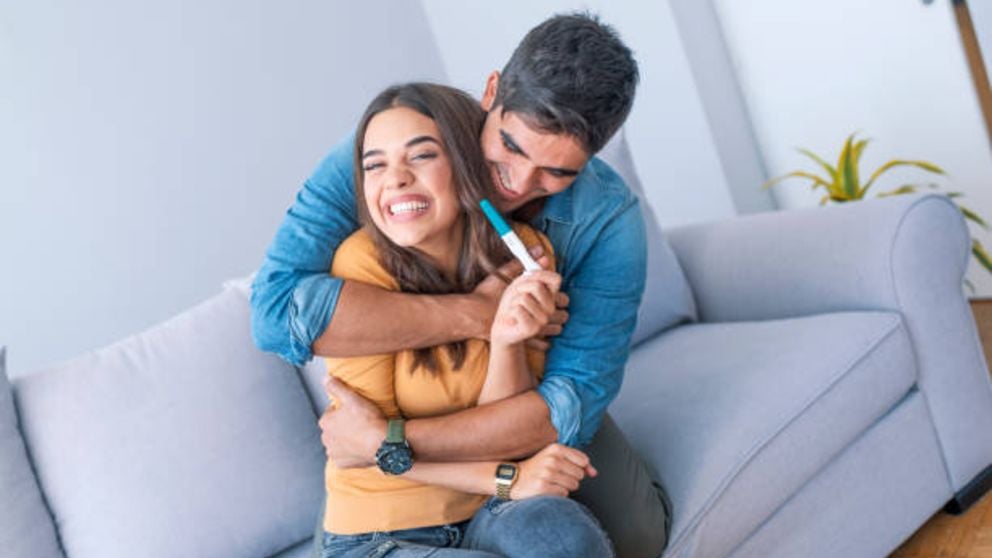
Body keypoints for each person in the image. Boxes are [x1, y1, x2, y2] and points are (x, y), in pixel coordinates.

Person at [252, 13, 672, 558]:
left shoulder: (606, 223)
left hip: (518, 397)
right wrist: (477, 313)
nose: (518, 185)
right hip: (402, 440)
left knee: (635, 538)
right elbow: (274, 315)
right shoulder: (392, 150)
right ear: (490, 94)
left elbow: (560, 408)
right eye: (511, 147)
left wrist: (386, 442)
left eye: (557, 173)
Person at [320, 81, 613, 557]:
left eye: (421, 156)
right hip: (380, 533)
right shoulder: (359, 265)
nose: (395, 179)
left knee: (566, 540)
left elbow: (501, 431)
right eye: (375, 165)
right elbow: (361, 451)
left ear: (465, 161)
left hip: (487, 510)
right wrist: (510, 479)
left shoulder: (523, 252)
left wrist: (506, 341)